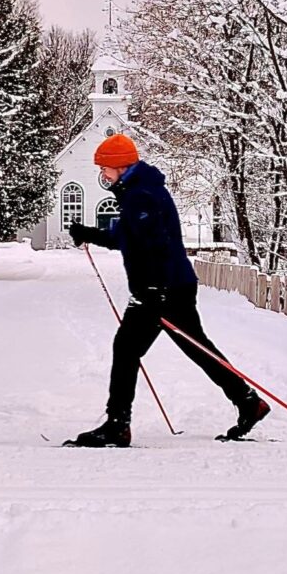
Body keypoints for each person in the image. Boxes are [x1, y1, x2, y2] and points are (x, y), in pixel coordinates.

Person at [65, 133, 270, 447]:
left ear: (120, 166)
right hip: (168, 287)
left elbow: (154, 244)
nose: (102, 174)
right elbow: (127, 236)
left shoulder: (141, 195)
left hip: (162, 289)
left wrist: (154, 289)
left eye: (105, 168)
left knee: (129, 349)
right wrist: (89, 234)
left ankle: (118, 425)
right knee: (195, 348)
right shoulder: (136, 191)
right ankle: (247, 402)